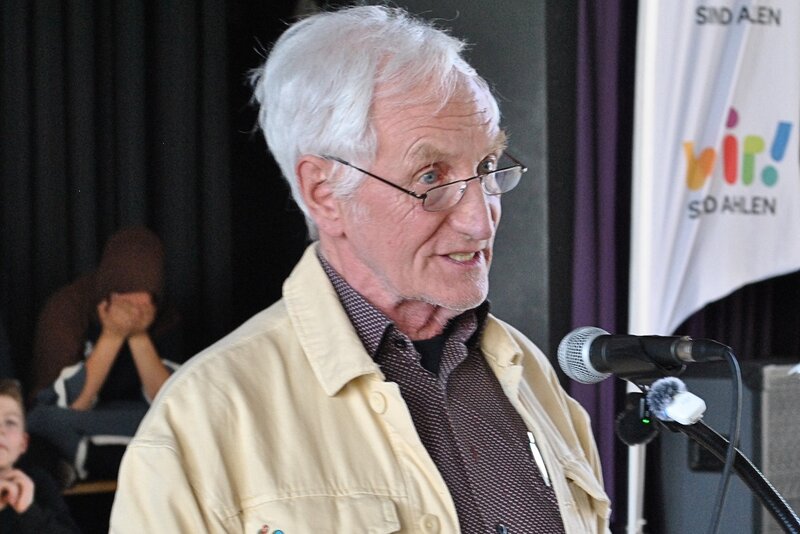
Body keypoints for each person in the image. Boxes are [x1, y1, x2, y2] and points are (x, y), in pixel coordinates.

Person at [111, 5, 610, 533]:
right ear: (324, 193)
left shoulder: (527, 372)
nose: (479, 220)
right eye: (431, 177)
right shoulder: (202, 419)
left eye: (487, 167)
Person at [27, 226, 181, 484]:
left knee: (179, 426)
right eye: (126, 301)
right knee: (42, 421)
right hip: (79, 418)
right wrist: (112, 335)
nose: (135, 310)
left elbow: (169, 405)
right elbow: (70, 404)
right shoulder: (67, 309)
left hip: (131, 420)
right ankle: (129, 463)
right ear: (108, 295)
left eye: (144, 302)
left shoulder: (165, 316)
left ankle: (83, 460)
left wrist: (138, 336)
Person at [0, 379, 81, 533]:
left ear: (23, 443)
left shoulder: (38, 483)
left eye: (10, 422)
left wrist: (28, 511)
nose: (1, 430)